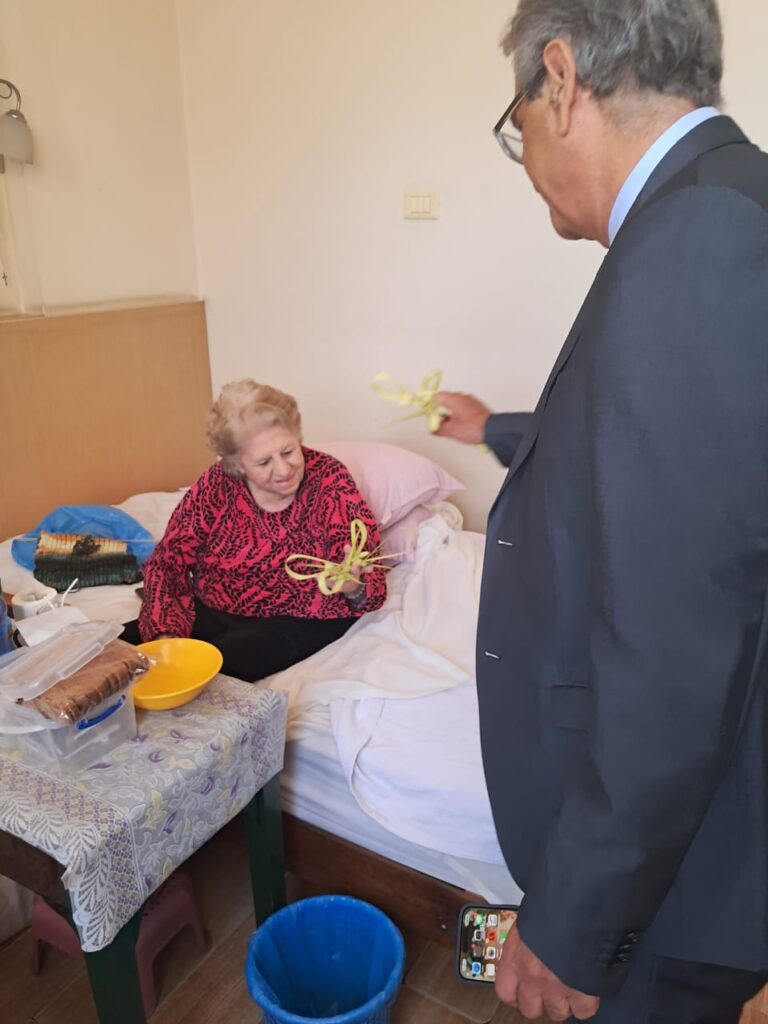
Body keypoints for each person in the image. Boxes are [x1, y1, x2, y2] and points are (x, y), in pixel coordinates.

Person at [436, 1, 768, 1021]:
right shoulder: (730, 199)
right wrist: (500, 430)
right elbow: (664, 450)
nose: (525, 159)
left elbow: (674, 639)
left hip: (679, 880)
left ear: (562, 78)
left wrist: (577, 917)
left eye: (517, 127)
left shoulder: (697, 240)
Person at [127, 380, 385, 682]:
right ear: (236, 464)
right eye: (264, 462)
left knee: (206, 672)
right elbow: (169, 560)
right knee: (118, 654)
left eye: (289, 451)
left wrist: (353, 585)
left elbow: (367, 582)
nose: (284, 469)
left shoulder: (330, 480)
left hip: (300, 616)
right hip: (215, 604)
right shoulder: (216, 484)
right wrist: (165, 632)